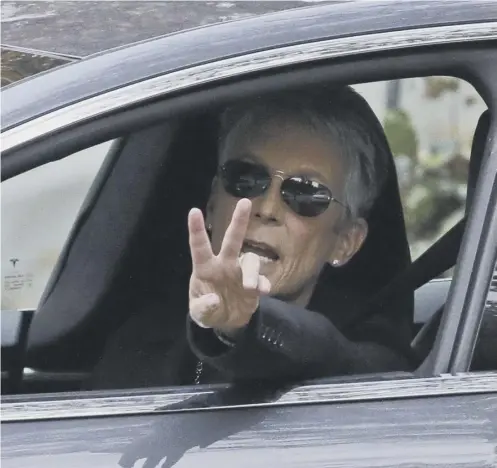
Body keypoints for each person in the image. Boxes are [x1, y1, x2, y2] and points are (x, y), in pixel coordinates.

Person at [89, 88, 414, 390]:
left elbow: (331, 355)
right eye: (246, 178)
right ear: (213, 203)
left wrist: (241, 328)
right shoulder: (138, 345)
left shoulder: (371, 366)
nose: (267, 208)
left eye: (305, 193)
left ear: (346, 241)